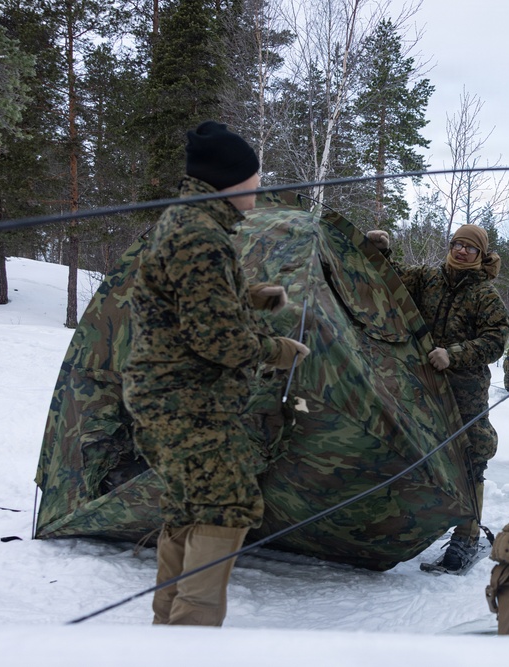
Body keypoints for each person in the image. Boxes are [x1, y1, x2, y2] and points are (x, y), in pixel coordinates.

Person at [122, 121, 309, 626]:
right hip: (186, 403)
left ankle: (168, 628)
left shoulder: (187, 224)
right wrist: (278, 350)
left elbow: (174, 302)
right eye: (253, 178)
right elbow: (218, 341)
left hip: (171, 400)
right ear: (230, 181)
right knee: (226, 505)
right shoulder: (201, 236)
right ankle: (188, 640)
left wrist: (248, 298)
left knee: (190, 508)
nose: (258, 186)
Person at [366, 224, 509, 572]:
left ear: (480, 255)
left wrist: (454, 354)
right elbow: (391, 279)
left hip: (466, 390)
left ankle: (466, 538)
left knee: (471, 459)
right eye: (457, 244)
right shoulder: (427, 279)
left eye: (470, 248)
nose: (461, 252)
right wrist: (380, 250)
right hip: (421, 387)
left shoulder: (485, 296)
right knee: (415, 453)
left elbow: (495, 341)